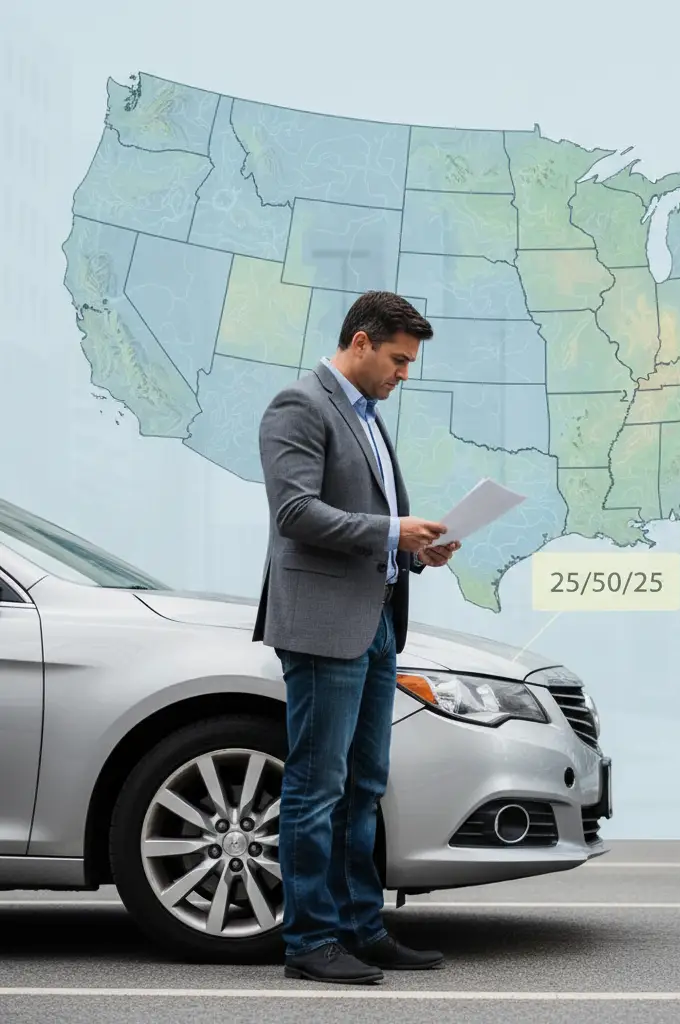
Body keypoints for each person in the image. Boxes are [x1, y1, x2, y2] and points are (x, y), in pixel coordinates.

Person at [253, 290, 459, 985]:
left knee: (364, 784)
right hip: (321, 626)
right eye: (399, 360)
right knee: (316, 787)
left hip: (375, 623)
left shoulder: (369, 417)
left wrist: (412, 551)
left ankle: (361, 928)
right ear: (362, 342)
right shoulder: (300, 405)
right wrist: (390, 532)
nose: (405, 373)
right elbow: (296, 512)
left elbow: (369, 520)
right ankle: (311, 939)